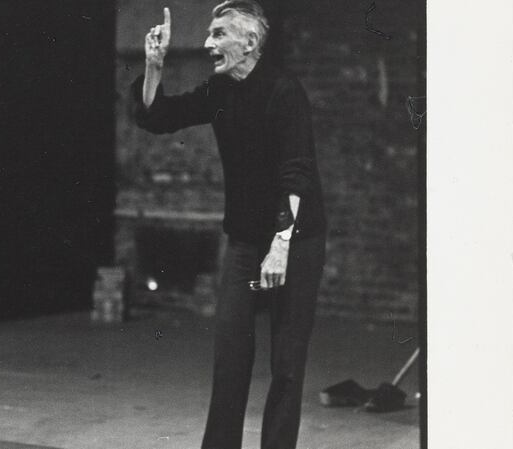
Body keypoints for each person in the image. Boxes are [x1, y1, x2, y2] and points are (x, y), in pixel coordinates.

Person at [132, 2, 327, 448]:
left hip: (295, 239)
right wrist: (154, 65)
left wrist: (281, 244)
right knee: (231, 358)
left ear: (250, 42)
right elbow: (159, 116)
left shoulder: (284, 90)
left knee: (287, 363)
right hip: (244, 241)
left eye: (219, 34)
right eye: (209, 33)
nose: (207, 44)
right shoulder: (220, 91)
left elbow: (296, 171)